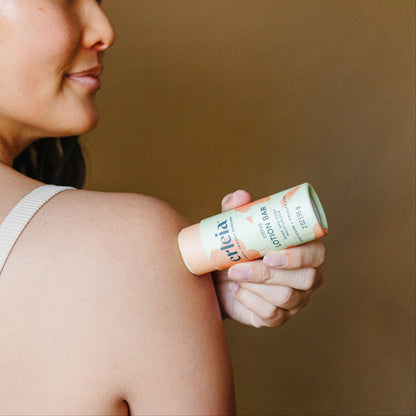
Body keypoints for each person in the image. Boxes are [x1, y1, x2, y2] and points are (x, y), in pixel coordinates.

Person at [0, 0, 326, 414]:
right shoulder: (129, 247)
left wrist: (182, 302)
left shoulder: (123, 258)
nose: (104, 30)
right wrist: (151, 279)